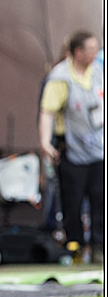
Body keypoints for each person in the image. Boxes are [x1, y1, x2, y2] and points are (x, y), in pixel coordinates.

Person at [38, 30, 104, 264]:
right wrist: (45, 141)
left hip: (98, 149)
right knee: (72, 202)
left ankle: (99, 247)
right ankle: (75, 246)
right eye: (91, 49)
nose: (96, 53)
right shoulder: (60, 78)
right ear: (78, 52)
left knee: (100, 199)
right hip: (72, 151)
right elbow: (47, 111)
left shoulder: (98, 72)